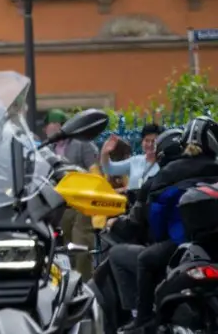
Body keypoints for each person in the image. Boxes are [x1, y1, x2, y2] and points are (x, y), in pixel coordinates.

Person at [117, 118, 218, 334]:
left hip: (180, 242)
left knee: (145, 259)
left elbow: (156, 215)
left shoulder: (171, 171)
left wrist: (156, 237)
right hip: (212, 244)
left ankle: (142, 319)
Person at [43, 109, 102, 276]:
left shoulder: (82, 144)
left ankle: (85, 284)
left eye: (50, 124)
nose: (47, 129)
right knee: (63, 249)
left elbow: (95, 171)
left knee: (81, 246)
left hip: (81, 205)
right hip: (61, 205)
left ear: (60, 125)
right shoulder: (50, 149)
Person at [99, 125, 162, 194]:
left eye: (153, 141)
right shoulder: (136, 160)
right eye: (146, 140)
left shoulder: (165, 162)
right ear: (142, 142)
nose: (150, 144)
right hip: (134, 203)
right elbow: (109, 169)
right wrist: (105, 153)